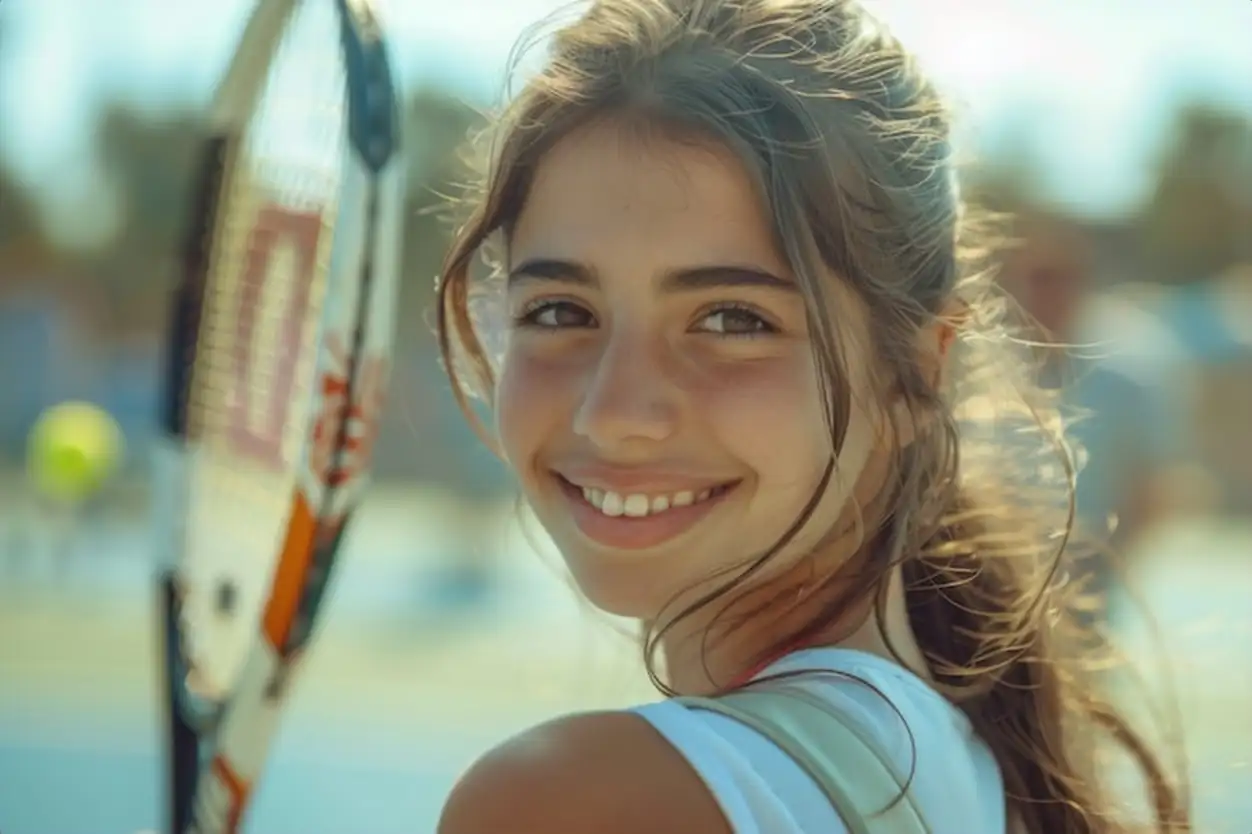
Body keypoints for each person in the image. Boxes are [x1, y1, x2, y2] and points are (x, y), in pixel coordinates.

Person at [432, 1, 1189, 832]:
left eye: (732, 320)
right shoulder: (975, 771)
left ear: (919, 372)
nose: (614, 414)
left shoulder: (572, 802)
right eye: (560, 310)